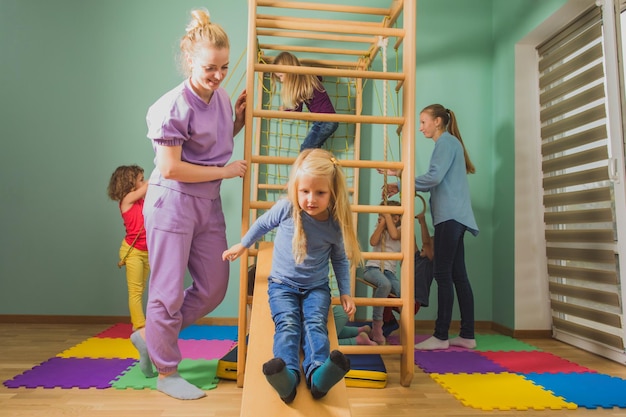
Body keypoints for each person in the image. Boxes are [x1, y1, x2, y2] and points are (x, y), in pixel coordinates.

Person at [134, 9, 248, 400]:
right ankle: (166, 372)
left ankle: (150, 337)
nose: (219, 76)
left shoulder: (220, 98)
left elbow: (209, 141)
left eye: (224, 67)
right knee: (166, 291)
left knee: (215, 287)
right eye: (210, 68)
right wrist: (226, 170)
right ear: (189, 62)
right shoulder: (170, 106)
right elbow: (171, 166)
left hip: (207, 203)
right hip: (172, 203)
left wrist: (239, 120)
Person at [222, 149, 362, 403]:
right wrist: (242, 245)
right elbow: (262, 224)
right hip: (282, 286)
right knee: (287, 324)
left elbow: (340, 260)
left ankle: (319, 375)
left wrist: (345, 291)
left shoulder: (333, 223)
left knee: (315, 325)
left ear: (332, 193)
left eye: (320, 193)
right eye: (305, 191)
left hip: (316, 288)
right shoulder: (287, 209)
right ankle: (286, 376)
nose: (310, 199)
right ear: (296, 188)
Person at [381, 104, 479, 351]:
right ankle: (467, 335)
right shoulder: (450, 144)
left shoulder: (445, 143)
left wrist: (400, 175)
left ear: (438, 122)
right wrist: (402, 184)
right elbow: (436, 180)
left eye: (424, 122)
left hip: (450, 217)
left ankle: (441, 335)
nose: (421, 127)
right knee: (458, 276)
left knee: (442, 274)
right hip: (455, 216)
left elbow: (433, 178)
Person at [107, 165, 150, 333]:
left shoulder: (140, 200)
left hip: (146, 251)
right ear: (130, 184)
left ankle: (145, 323)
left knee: (143, 288)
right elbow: (150, 185)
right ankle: (140, 326)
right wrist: (164, 167)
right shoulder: (127, 200)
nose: (144, 181)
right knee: (135, 290)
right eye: (141, 179)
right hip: (133, 252)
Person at [271, 51, 339, 151]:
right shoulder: (308, 78)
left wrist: (284, 111)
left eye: (281, 76)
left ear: (289, 72)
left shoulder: (300, 86)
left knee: (305, 150)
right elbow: (319, 77)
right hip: (328, 120)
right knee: (311, 149)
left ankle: (322, 164)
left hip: (325, 121)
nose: (281, 80)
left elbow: (297, 111)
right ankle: (319, 163)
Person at [360, 200, 402, 345]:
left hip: (389, 271)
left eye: (384, 215)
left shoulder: (402, 229)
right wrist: (381, 225)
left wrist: (387, 219)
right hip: (372, 269)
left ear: (396, 219)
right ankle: (377, 326)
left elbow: (395, 235)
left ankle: (390, 322)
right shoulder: (380, 228)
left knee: (401, 293)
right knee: (384, 285)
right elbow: (373, 241)